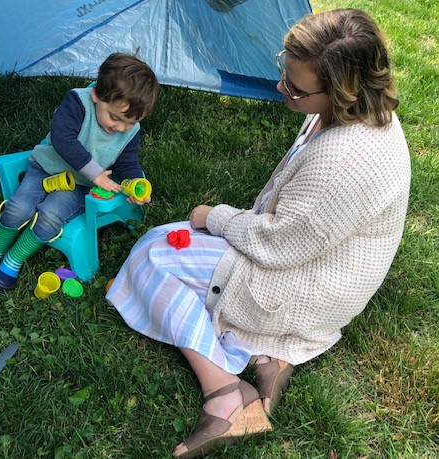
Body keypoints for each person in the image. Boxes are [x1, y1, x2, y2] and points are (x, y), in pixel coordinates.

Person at [106, 9, 411, 458]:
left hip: (305, 284)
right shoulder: (355, 111)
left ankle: (227, 396)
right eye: (284, 71)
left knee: (151, 256)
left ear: (341, 89)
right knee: (160, 243)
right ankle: (264, 355)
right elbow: (296, 229)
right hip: (313, 261)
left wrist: (216, 217)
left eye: (295, 87)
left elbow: (278, 243)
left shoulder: (343, 160)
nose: (281, 88)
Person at [0, 52, 159, 292]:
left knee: (50, 216)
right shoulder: (78, 103)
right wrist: (96, 173)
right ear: (97, 95)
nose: (122, 128)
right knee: (19, 207)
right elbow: (63, 139)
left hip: (79, 185)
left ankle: (13, 259)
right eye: (115, 117)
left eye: (130, 122)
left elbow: (127, 162)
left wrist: (135, 183)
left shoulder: (129, 131)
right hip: (46, 169)